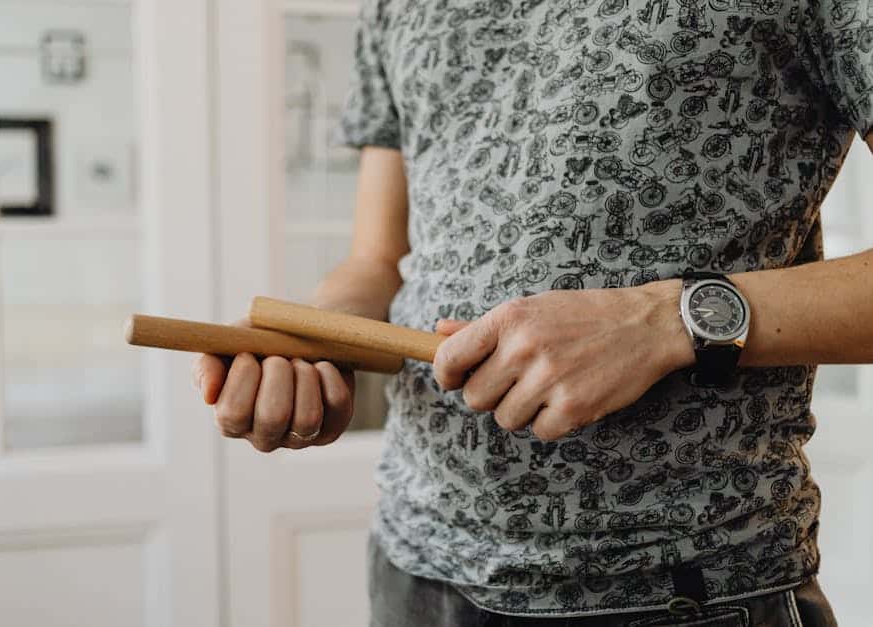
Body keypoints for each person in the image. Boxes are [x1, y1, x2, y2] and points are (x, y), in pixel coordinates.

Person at [193, 0, 873, 624]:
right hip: (414, 568)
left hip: (687, 585)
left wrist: (663, 319)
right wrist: (311, 339)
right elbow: (375, 261)